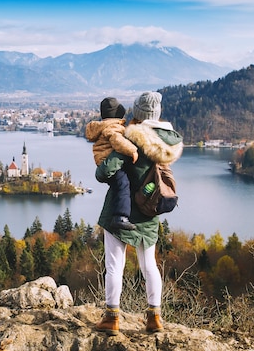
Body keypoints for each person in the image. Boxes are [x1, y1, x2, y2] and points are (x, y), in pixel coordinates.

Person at [94, 91, 183, 335]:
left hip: (119, 214)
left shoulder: (132, 138)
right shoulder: (166, 143)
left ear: (138, 113)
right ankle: (154, 317)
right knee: (149, 266)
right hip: (149, 213)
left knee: (114, 266)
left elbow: (103, 173)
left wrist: (114, 155)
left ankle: (112, 318)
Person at [85, 97, 139, 230]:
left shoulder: (103, 125)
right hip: (108, 162)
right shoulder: (113, 127)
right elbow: (117, 141)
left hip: (103, 161)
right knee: (123, 184)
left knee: (118, 186)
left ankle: (119, 215)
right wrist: (133, 151)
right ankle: (120, 217)